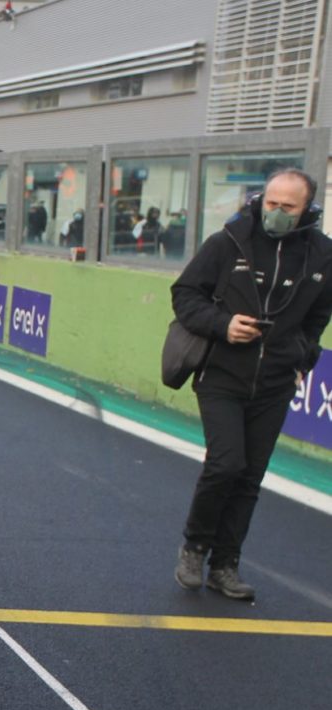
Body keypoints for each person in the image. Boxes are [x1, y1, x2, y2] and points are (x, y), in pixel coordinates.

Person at [170, 169, 332, 601]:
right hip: (221, 374)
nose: (275, 212)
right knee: (226, 464)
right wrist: (224, 325)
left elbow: (318, 318)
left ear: (307, 210)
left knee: (249, 478)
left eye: (287, 207)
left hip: (276, 382)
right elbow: (185, 294)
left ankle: (225, 565)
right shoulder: (228, 241)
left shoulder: (323, 254)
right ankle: (194, 547)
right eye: (270, 202)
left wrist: (303, 358)